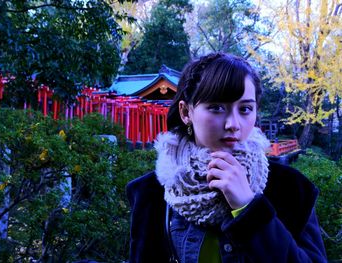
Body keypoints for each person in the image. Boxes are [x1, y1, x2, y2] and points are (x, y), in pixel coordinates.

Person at [126, 53, 327, 263]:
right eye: (216, 107)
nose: (233, 124)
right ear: (186, 112)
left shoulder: (291, 189)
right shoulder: (152, 194)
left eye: (245, 109)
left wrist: (248, 208)